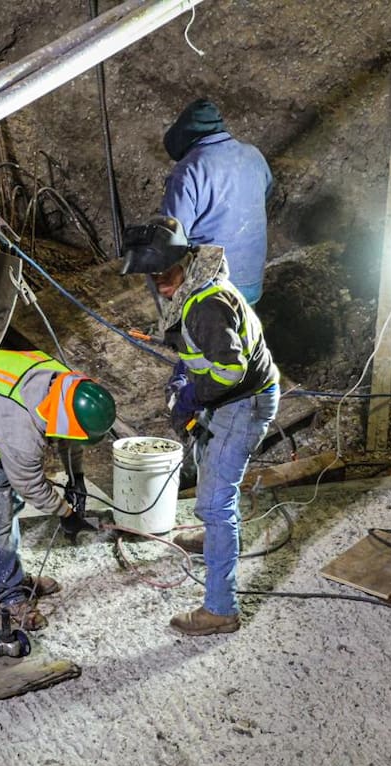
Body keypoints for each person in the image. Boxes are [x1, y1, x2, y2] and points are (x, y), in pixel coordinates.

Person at [121, 216, 280, 636]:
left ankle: (220, 610)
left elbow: (229, 369)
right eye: (152, 278)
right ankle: (214, 539)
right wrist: (180, 365)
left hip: (241, 403)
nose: (160, 284)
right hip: (229, 398)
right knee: (203, 459)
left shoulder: (206, 305)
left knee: (214, 503)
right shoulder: (195, 288)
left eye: (165, 274)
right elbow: (204, 351)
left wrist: (193, 393)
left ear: (185, 261)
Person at [0, 350, 116, 630]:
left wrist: (76, 476)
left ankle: (13, 576)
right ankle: (6, 595)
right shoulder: (21, 431)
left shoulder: (70, 389)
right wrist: (65, 512)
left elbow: (71, 440)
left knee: (13, 505)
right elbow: (30, 484)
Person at [160, 98, 274, 305]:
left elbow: (172, 235)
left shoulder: (187, 171)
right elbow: (264, 195)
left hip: (212, 291)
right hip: (252, 284)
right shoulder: (254, 155)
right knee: (243, 332)